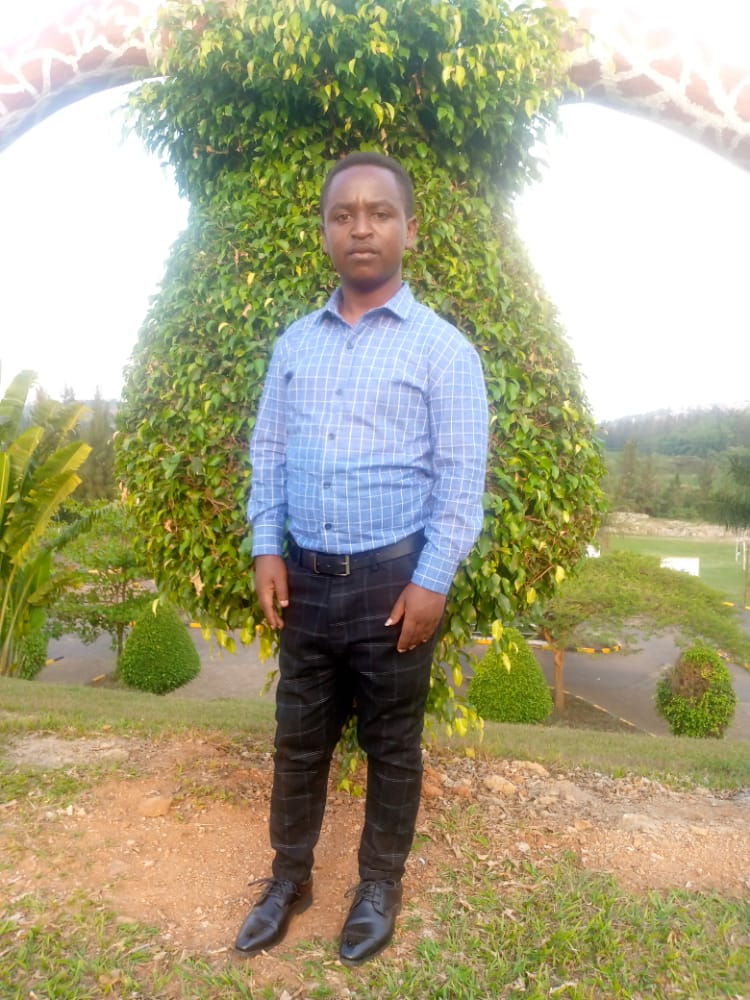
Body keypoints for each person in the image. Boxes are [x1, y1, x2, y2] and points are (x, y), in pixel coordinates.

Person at [236, 151, 488, 966]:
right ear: (324, 232)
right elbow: (269, 449)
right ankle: (288, 879)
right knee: (297, 740)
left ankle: (379, 883)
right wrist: (265, 546)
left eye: (379, 213)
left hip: (393, 585)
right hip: (305, 580)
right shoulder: (293, 345)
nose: (361, 227)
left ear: (409, 229)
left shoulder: (444, 353)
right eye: (344, 214)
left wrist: (432, 580)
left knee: (393, 745)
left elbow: (460, 482)